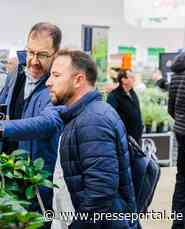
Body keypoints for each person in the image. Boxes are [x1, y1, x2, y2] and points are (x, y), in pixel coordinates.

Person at [0, 22, 63, 222]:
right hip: (9, 172)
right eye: (30, 52)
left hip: (37, 180)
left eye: (42, 55)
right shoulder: (16, 73)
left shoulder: (57, 84)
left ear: (56, 53)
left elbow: (46, 122)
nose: (33, 61)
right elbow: (3, 102)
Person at [46, 49, 137, 228]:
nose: (49, 82)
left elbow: (100, 194)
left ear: (78, 79)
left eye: (56, 75)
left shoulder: (93, 121)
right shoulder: (82, 116)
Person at [168, 52, 185, 229]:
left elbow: (171, 107)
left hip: (182, 133)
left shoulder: (179, 69)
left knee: (182, 179)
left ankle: (178, 222)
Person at [106, 69, 143, 144]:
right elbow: (111, 117)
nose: (134, 79)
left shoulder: (133, 93)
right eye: (131, 77)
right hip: (123, 139)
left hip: (136, 137)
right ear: (123, 80)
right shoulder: (114, 96)